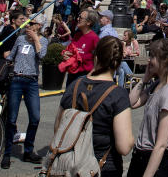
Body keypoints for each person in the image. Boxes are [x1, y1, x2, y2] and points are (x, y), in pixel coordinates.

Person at [56, 36, 134, 177]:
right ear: (118, 63)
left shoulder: (74, 86)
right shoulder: (118, 94)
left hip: (69, 165)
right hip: (101, 166)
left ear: (96, 57)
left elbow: (58, 128)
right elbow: (124, 147)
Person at [128, 35, 168, 177]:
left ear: (164, 60)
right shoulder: (156, 85)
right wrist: (145, 78)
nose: (149, 60)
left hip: (154, 161)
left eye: (153, 56)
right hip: (140, 155)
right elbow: (131, 102)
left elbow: (161, 144)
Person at [1, 19, 47, 167]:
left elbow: (42, 57)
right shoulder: (20, 39)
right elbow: (11, 56)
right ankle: (6, 153)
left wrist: (35, 40)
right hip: (17, 79)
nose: (28, 25)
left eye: (32, 22)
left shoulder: (43, 40)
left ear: (39, 26)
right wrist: (5, 56)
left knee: (35, 117)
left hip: (32, 82)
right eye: (28, 23)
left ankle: (28, 151)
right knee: (11, 119)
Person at [63, 9, 100, 82]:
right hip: (72, 74)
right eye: (78, 16)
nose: (77, 19)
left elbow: (99, 60)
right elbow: (70, 50)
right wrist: (66, 54)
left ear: (89, 22)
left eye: (80, 17)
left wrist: (90, 75)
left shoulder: (94, 38)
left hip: (84, 76)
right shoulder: (77, 35)